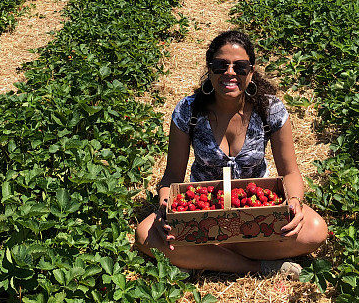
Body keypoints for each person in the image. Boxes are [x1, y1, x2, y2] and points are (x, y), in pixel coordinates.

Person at [134, 31, 328, 278]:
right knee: (145, 235)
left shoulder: (270, 110)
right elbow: (172, 174)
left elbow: (290, 172)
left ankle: (204, 251)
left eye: (240, 66)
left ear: (252, 71)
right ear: (209, 68)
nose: (230, 72)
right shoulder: (188, 111)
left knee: (315, 229)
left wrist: (295, 202)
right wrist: (165, 208)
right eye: (220, 65)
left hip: (258, 208)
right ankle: (257, 266)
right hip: (201, 210)